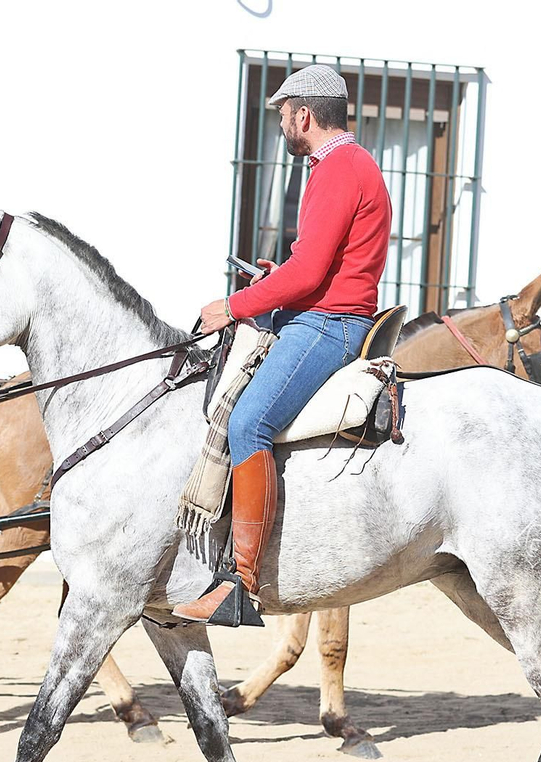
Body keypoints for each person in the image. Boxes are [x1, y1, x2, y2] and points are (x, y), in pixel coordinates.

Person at [174, 63, 391, 625]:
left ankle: (241, 584)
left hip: (327, 325)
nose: (281, 127)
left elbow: (311, 272)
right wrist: (275, 277)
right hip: (319, 312)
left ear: (304, 114)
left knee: (248, 424)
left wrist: (233, 306)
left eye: (282, 117)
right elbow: (310, 266)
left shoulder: (338, 169)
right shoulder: (345, 164)